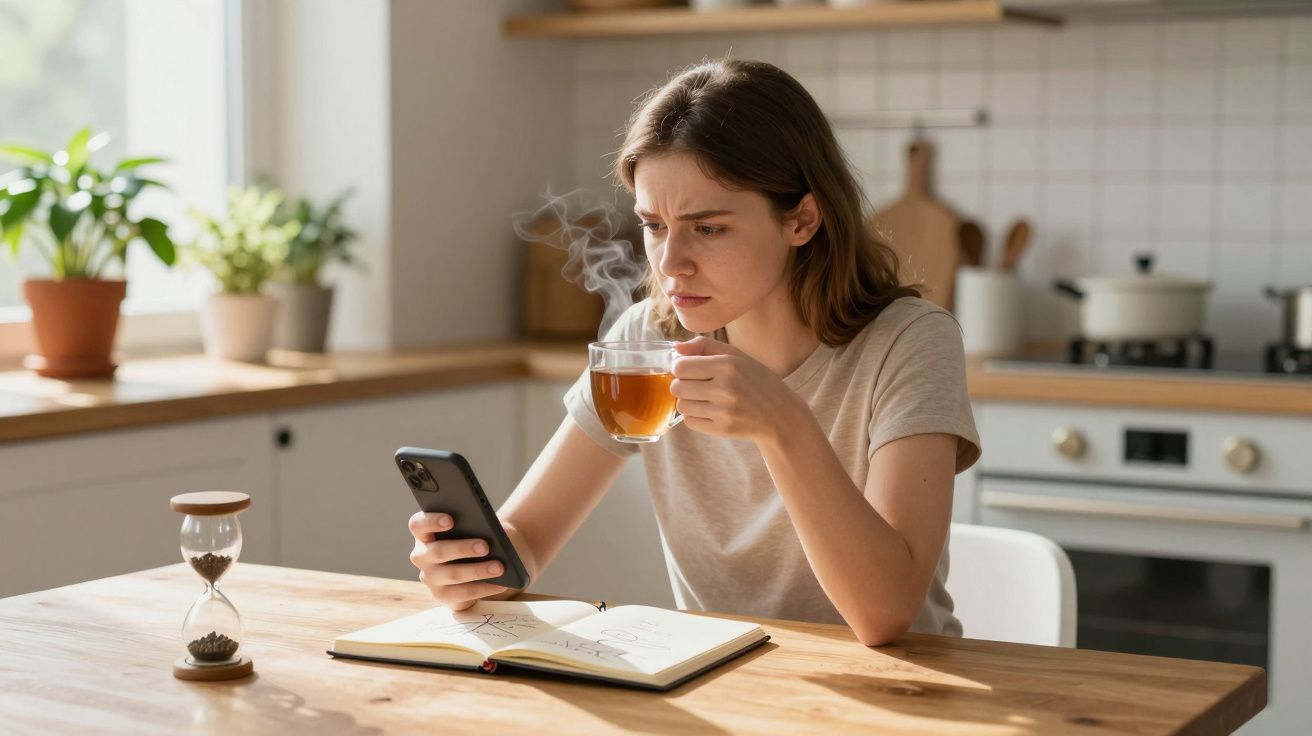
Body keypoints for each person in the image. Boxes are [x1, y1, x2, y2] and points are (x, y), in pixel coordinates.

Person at [408, 58, 981, 646]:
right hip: (722, 677)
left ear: (803, 220)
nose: (670, 263)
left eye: (707, 228)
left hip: (902, 691)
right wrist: (476, 566)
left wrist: (784, 425)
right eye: (654, 225)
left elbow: (885, 616)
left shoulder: (909, 343)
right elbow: (525, 536)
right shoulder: (648, 342)